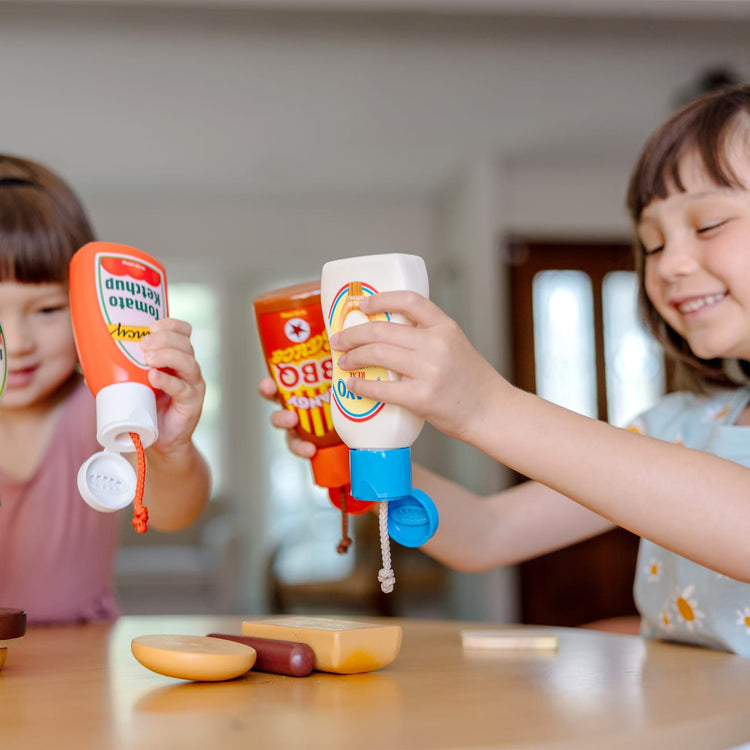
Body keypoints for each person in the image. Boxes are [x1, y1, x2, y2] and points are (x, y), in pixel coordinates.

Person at [260, 83, 750, 656]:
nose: (670, 264)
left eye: (709, 224)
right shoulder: (676, 426)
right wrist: (356, 449)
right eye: (652, 242)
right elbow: (486, 535)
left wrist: (484, 406)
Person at [0, 154, 211, 624]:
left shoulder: (97, 403)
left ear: (88, 307)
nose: (17, 342)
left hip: (85, 655)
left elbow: (176, 514)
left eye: (47, 310)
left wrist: (170, 449)